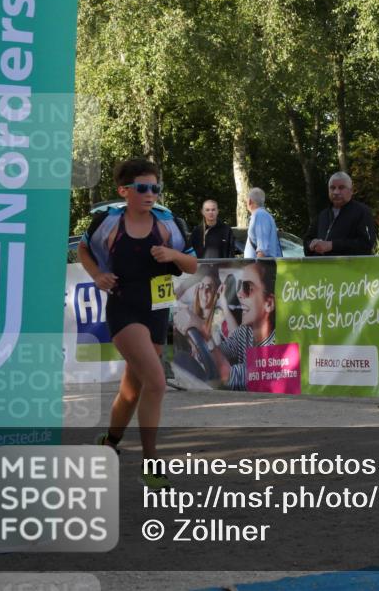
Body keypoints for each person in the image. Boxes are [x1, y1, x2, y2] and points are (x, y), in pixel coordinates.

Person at [78, 158, 197, 489]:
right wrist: (97, 275)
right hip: (124, 309)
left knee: (132, 389)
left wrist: (172, 256)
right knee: (157, 382)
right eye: (142, 188)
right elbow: (83, 251)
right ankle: (151, 463)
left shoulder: (168, 223)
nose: (150, 194)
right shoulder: (108, 222)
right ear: (124, 191)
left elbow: (192, 264)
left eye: (155, 188)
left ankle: (109, 443)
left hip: (157, 309)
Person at [209, 261, 276, 390]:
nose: (239, 294)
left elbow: (229, 376)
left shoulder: (276, 345)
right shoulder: (245, 331)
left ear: (269, 303)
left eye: (247, 288)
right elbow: (223, 351)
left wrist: (204, 336)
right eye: (239, 286)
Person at [304, 171, 377, 256]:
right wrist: (311, 245)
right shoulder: (323, 215)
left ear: (351, 190)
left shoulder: (362, 212)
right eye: (332, 188)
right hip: (321, 268)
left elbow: (366, 245)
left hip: (348, 268)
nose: (336, 192)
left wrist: (332, 245)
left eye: (341, 187)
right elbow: (307, 241)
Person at [244, 187, 282, 258]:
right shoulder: (262, 215)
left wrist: (257, 267)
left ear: (249, 201)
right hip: (261, 266)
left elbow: (262, 249)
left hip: (260, 267)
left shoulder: (260, 215)